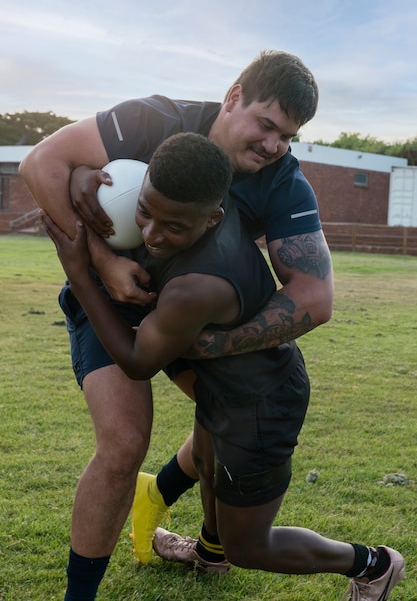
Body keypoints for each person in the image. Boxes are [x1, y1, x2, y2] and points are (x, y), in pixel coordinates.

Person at [20, 50, 334, 599]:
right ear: (234, 96)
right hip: (108, 299)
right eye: (265, 124)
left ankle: (204, 544)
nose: (273, 145)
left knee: (224, 416)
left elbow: (314, 295)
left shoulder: (283, 181)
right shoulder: (155, 119)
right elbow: (40, 163)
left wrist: (214, 344)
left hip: (185, 310)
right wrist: (104, 263)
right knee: (123, 442)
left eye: (288, 135)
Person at [43, 132, 405, 601]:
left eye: (172, 226)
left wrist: (78, 271)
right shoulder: (204, 207)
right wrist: (87, 176)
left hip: (259, 408)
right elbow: (70, 170)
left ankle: (373, 564)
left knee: (251, 546)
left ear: (213, 217)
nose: (152, 236)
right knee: (209, 467)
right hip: (236, 388)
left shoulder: (197, 286)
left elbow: (135, 362)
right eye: (146, 212)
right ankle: (203, 549)